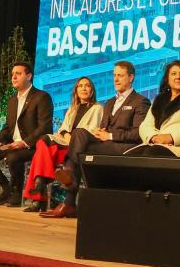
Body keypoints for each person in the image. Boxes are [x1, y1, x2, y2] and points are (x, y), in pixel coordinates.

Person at [42, 61, 151, 219]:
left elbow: (138, 134)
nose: (116, 79)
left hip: (124, 147)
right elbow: (104, 127)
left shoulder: (140, 101)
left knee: (79, 151)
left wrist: (111, 136)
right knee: (79, 132)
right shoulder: (110, 103)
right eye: (114, 75)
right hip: (105, 144)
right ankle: (69, 188)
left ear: (131, 77)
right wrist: (101, 132)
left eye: (120, 75)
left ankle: (69, 197)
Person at [0, 62, 53, 207]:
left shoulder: (41, 97)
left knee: (13, 157)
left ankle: (16, 194)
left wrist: (24, 142)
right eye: (12, 74)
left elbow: (44, 128)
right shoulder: (12, 101)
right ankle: (6, 188)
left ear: (29, 76)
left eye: (18, 74)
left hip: (32, 146)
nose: (13, 77)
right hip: (12, 145)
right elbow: (8, 128)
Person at [22, 77, 102, 211]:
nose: (83, 88)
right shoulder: (72, 109)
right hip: (65, 144)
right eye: (80, 86)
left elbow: (92, 131)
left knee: (40, 152)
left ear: (92, 91)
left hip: (78, 149)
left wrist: (72, 137)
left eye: (87, 86)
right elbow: (63, 129)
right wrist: (67, 135)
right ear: (76, 91)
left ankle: (39, 195)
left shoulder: (97, 108)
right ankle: (40, 185)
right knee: (42, 142)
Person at [134, 60, 180, 158]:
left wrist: (171, 138)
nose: (178, 77)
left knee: (151, 155)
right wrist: (153, 137)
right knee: (129, 158)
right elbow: (145, 125)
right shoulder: (159, 99)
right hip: (156, 145)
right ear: (167, 79)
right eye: (173, 74)